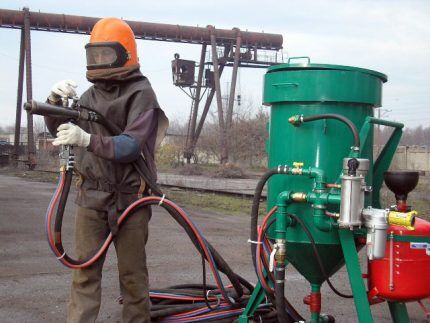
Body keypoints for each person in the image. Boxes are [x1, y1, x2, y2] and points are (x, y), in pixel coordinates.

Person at [45, 17, 168, 323]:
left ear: (124, 54)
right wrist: (53, 102)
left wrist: (86, 139)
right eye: (94, 54)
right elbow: (62, 129)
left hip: (130, 201)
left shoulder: (141, 94)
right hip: (92, 198)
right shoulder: (90, 96)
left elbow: (130, 146)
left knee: (133, 280)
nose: (99, 61)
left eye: (105, 54)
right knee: (85, 276)